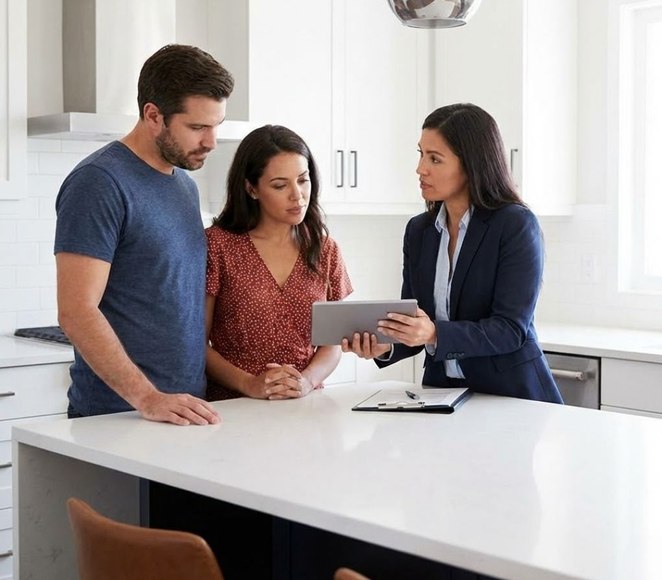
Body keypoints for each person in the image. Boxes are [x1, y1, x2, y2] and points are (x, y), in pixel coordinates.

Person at [55, 44, 234, 424]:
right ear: (153, 115)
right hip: (117, 417)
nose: (211, 142)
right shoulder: (99, 183)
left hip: (185, 411)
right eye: (198, 127)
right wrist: (147, 398)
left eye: (216, 125)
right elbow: (76, 311)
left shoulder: (184, 185)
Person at [342, 103, 562, 403]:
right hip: (443, 396)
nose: (420, 169)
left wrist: (433, 334)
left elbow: (510, 330)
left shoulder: (515, 224)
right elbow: (419, 320)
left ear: (472, 164)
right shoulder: (419, 231)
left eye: (435, 159)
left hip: (512, 398)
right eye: (421, 154)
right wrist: (387, 345)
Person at [205, 125, 352, 400]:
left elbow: (331, 345)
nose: (297, 195)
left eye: (303, 180)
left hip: (305, 409)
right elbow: (197, 345)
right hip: (234, 409)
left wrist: (306, 381)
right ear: (251, 189)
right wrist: (250, 384)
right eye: (280, 185)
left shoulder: (325, 250)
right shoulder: (217, 246)